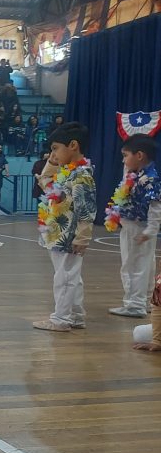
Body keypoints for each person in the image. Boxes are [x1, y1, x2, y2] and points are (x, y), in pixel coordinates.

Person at [33, 122, 95, 332]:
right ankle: (75, 316)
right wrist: (52, 161)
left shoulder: (81, 174)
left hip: (70, 235)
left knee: (65, 277)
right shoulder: (67, 172)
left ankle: (61, 319)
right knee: (70, 276)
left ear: (73, 145)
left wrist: (82, 237)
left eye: (55, 148)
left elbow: (86, 208)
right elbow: (46, 181)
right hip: (58, 233)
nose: (53, 154)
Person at [106, 134, 161, 318]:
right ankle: (143, 301)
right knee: (142, 264)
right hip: (133, 226)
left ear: (139, 155)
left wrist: (151, 230)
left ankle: (134, 304)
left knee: (133, 265)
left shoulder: (149, 179)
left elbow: (155, 206)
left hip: (138, 227)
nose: (123, 160)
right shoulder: (137, 175)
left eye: (125, 155)